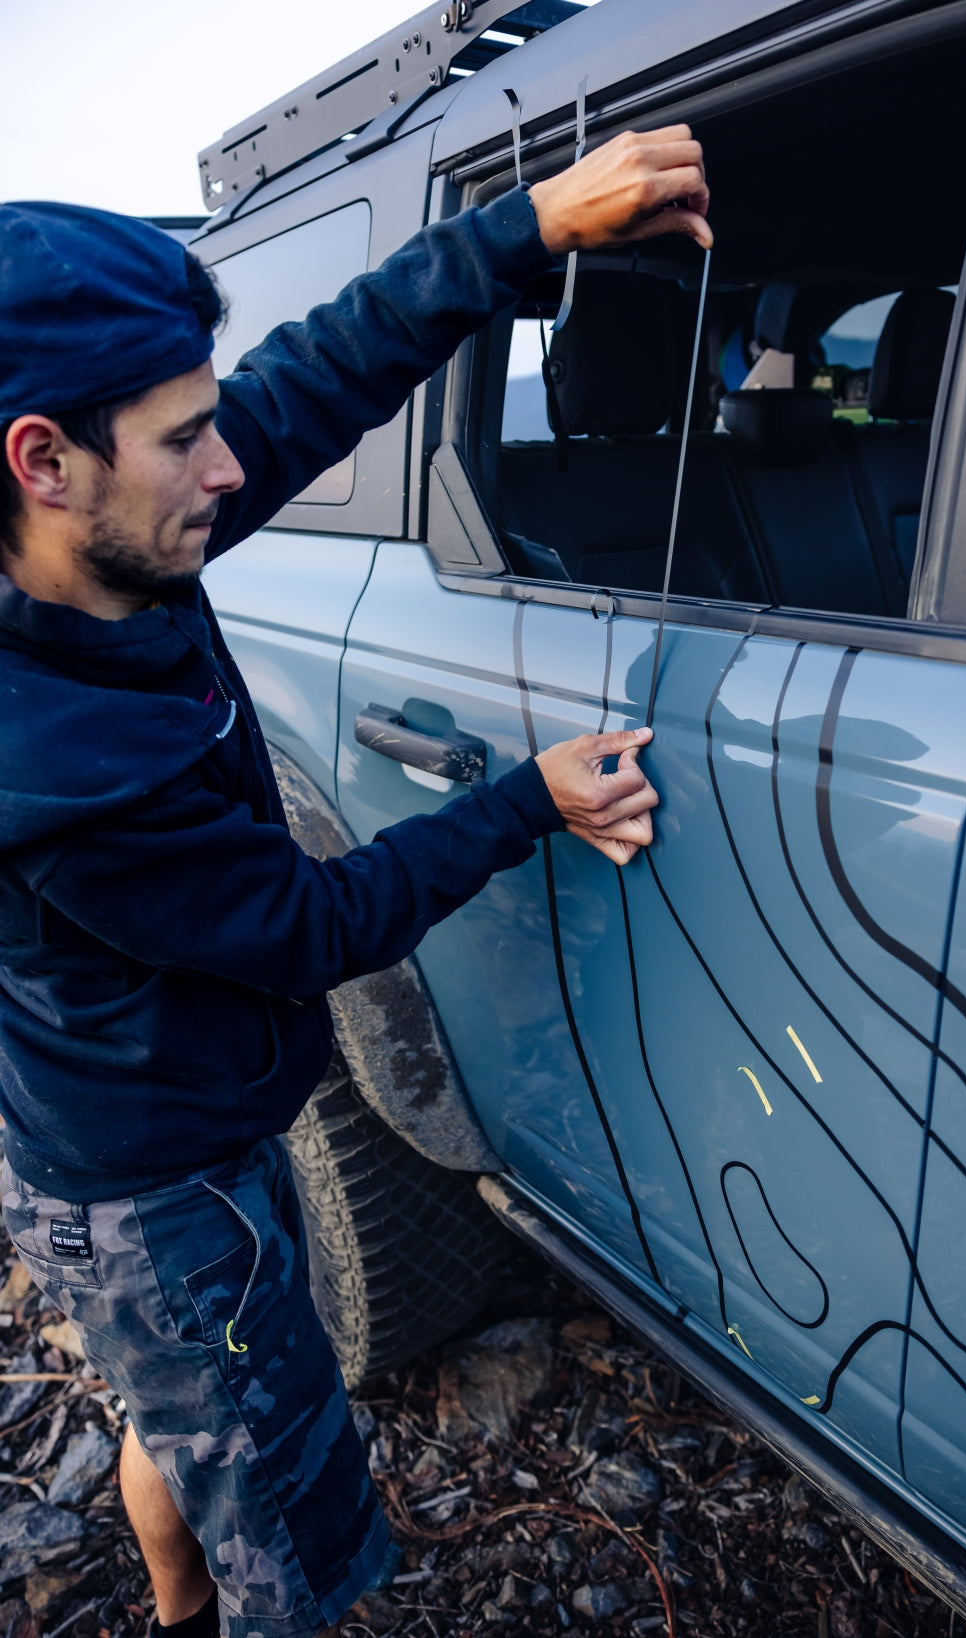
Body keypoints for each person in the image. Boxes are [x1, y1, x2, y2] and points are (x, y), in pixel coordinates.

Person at [0, 126, 711, 1638]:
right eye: (187, 433)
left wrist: (523, 228)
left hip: (125, 1136)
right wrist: (528, 795)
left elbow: (322, 372)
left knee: (180, 1418)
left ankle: (173, 1609)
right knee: (290, 1523)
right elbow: (319, 924)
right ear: (43, 459)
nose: (232, 460)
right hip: (168, 1192)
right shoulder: (61, 771)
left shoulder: (90, 548)